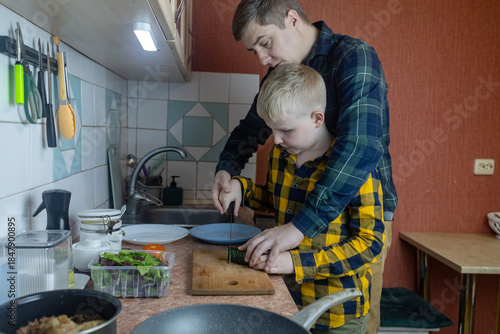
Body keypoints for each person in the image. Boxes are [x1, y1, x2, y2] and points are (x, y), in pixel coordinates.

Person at [212, 1, 397, 332]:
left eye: (265, 43)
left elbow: (360, 147)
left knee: (352, 321)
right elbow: (250, 129)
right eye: (254, 51)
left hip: (356, 217)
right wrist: (228, 171)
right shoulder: (281, 75)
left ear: (292, 19)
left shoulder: (354, 57)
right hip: (300, 237)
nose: (263, 59)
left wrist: (298, 227)